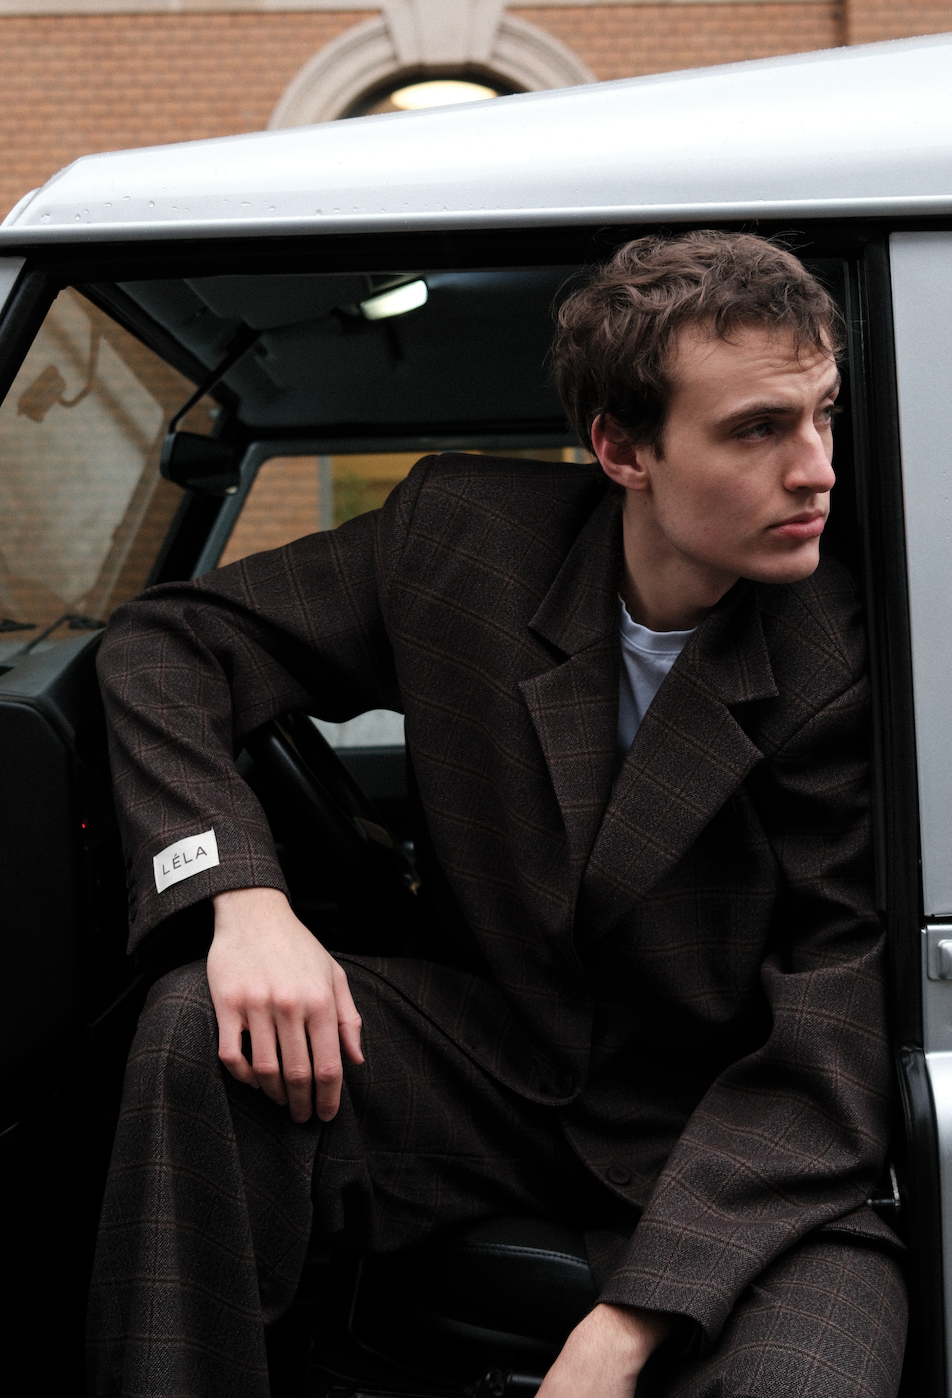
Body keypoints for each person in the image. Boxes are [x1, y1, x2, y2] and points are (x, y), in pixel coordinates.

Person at [89, 231, 906, 1398]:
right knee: (194, 1029)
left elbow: (827, 1041)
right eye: (757, 429)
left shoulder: (846, 650)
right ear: (622, 449)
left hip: (737, 1147)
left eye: (823, 414)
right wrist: (240, 895)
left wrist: (618, 1331)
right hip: (495, 1071)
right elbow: (169, 644)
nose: (818, 468)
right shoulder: (462, 541)